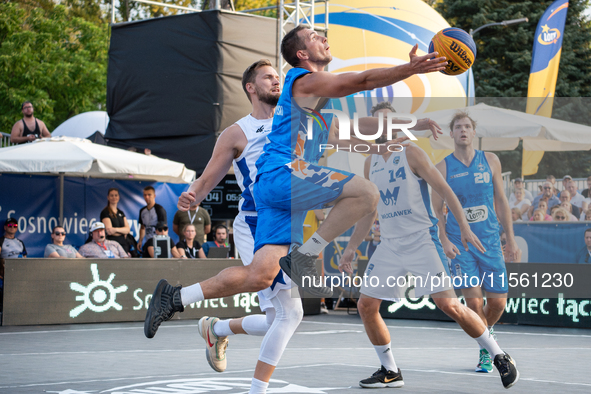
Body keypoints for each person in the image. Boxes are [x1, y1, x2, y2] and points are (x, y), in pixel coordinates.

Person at [254, 26, 445, 298]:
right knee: (367, 193)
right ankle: (305, 256)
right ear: (302, 53)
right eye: (313, 37)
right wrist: (409, 69)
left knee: (261, 275)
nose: (323, 38)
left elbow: (360, 128)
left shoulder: (315, 114)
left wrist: (414, 124)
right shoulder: (304, 82)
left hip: (279, 183)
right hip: (283, 172)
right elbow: (362, 81)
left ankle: (179, 297)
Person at [145, 60, 298, 393]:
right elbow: (208, 176)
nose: (276, 81)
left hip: (288, 220)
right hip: (258, 220)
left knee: (279, 319)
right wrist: (193, 195)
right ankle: (256, 388)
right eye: (268, 77)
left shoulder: (291, 121)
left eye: (278, 77)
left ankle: (217, 329)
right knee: (290, 314)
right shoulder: (237, 132)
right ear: (250, 87)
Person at [340, 142, 518, 389]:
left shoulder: (411, 153)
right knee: (366, 305)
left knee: (449, 304)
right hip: (390, 245)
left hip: (422, 239)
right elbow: (371, 209)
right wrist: (351, 247)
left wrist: (464, 228)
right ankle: (390, 370)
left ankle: (499, 355)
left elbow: (445, 190)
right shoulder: (371, 162)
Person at [432, 111, 519, 378]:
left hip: (490, 242)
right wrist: (444, 239)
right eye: (458, 127)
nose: (463, 130)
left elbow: (502, 202)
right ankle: (488, 350)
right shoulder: (443, 167)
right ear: (452, 133)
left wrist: (511, 238)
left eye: (467, 126)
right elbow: (436, 210)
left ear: (474, 132)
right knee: (473, 303)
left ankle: (485, 334)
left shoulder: (490, 160)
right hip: (461, 245)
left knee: (498, 305)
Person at [100, 188, 135, 255]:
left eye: (116, 195)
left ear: (118, 197)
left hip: (123, 244)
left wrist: (115, 229)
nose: (114, 197)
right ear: (108, 197)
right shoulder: (105, 212)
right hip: (112, 244)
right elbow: (109, 231)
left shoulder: (121, 213)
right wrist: (122, 231)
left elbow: (127, 230)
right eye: (112, 195)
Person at [138, 186, 167, 251]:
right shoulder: (142, 211)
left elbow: (164, 228)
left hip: (158, 242)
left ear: (154, 196)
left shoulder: (159, 209)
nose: (147, 197)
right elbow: (142, 227)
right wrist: (140, 241)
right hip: (148, 242)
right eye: (145, 195)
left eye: (149, 195)